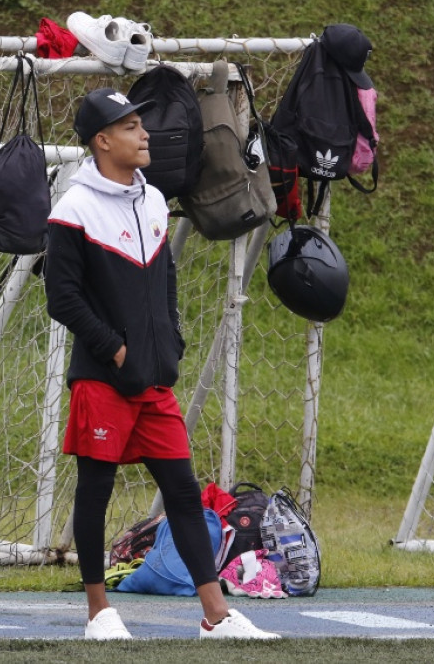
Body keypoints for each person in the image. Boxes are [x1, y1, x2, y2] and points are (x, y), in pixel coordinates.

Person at [44, 87, 280, 640]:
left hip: (154, 380)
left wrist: (169, 342)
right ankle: (99, 613)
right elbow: (62, 298)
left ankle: (216, 616)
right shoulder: (72, 208)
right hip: (103, 378)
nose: (144, 133)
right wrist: (116, 349)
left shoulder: (152, 198)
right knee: (95, 490)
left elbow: (165, 277)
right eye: (130, 127)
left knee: (182, 489)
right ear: (102, 141)